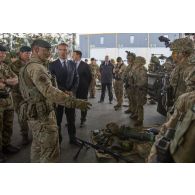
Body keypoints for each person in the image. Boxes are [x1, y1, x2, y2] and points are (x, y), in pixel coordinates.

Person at [19, 39, 91, 163]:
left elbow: (75, 79)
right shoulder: (37, 68)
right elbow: (49, 91)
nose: (49, 53)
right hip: (43, 116)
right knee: (50, 153)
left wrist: (71, 91)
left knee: (38, 147)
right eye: (46, 50)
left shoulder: (32, 66)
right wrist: (76, 102)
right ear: (36, 50)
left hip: (36, 114)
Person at [148, 68, 195, 163]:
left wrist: (153, 156)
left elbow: (168, 128)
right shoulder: (187, 100)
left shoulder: (187, 99)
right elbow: (168, 128)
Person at [49, 43, 79, 145]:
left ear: (68, 51)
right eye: (61, 50)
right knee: (57, 121)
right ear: (57, 51)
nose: (63, 52)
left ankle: (73, 138)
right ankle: (58, 141)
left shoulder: (72, 64)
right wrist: (63, 91)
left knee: (71, 120)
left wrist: (72, 91)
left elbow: (76, 79)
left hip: (70, 96)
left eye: (65, 50)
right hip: (58, 98)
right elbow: (51, 82)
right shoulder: (52, 65)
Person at [0, 45, 19, 162]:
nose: (2, 54)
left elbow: (16, 80)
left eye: (3, 53)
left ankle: (6, 146)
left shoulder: (5, 66)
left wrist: (5, 81)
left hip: (8, 101)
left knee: (8, 124)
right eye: (0, 52)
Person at [10, 46, 32, 145]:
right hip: (18, 95)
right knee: (21, 116)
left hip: (31, 94)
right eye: (26, 53)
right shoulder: (14, 65)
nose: (28, 55)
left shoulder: (32, 64)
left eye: (29, 53)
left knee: (33, 114)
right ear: (20, 53)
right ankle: (24, 136)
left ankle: (35, 134)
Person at [169, 37, 194, 102]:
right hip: (177, 104)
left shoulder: (191, 69)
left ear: (184, 53)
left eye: (175, 52)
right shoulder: (178, 67)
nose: (172, 55)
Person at [72, 50, 92, 127]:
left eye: (73, 54)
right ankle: (72, 119)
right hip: (73, 89)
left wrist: (86, 86)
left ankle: (83, 119)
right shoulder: (71, 64)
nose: (72, 56)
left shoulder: (85, 65)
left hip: (82, 88)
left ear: (78, 55)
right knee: (72, 104)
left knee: (83, 104)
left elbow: (89, 77)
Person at [131, 56, 148, 127]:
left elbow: (143, 81)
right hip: (137, 88)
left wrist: (136, 85)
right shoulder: (137, 69)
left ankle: (140, 119)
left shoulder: (142, 69)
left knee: (140, 104)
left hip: (141, 89)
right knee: (137, 103)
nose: (135, 62)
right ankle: (137, 114)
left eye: (137, 61)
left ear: (140, 62)